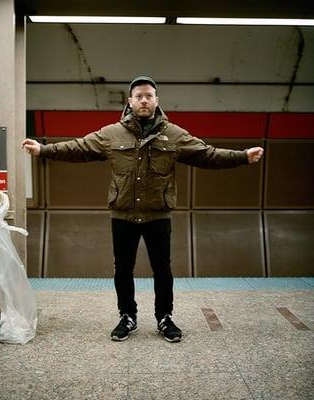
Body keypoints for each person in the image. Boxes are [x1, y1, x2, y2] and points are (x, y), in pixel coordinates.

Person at [22, 76, 264, 343]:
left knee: (163, 270)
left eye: (149, 95)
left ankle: (165, 317)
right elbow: (79, 148)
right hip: (123, 215)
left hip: (157, 215)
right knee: (123, 270)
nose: (144, 100)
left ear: (157, 101)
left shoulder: (174, 135)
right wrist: (44, 149)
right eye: (139, 96)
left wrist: (242, 157)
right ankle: (127, 316)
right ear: (130, 101)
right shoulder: (111, 134)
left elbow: (206, 154)